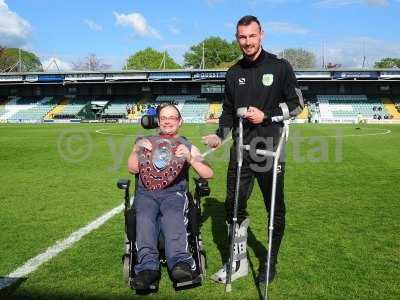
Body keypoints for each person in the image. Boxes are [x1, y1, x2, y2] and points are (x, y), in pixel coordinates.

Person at [202, 15, 304, 285]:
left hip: (270, 147)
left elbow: (297, 105)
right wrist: (218, 136)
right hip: (241, 150)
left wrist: (267, 116)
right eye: (242, 37)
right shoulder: (233, 72)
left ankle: (270, 261)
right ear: (237, 38)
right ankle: (238, 263)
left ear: (262, 35)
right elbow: (226, 111)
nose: (247, 42)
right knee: (233, 206)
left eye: (252, 36)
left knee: (275, 209)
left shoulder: (280, 67)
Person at [127, 104, 213, 290]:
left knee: (173, 216)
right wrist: (136, 149)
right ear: (158, 121)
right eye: (164, 117)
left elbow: (208, 173)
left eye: (172, 117)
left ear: (179, 122)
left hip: (174, 193)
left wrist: (190, 157)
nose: (167, 121)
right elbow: (133, 168)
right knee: (144, 217)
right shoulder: (145, 140)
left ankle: (180, 263)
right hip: (146, 193)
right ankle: (147, 268)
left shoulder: (186, 144)